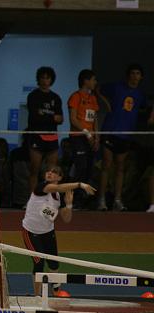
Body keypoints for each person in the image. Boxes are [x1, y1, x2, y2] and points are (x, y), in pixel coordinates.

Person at [22, 166, 96, 296]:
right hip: (31, 232)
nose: (50, 173)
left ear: (60, 177)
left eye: (54, 172)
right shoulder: (42, 187)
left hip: (48, 232)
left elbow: (66, 219)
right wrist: (80, 185)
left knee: (54, 263)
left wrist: (69, 205)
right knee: (39, 262)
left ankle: (56, 290)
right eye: (48, 171)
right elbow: (58, 187)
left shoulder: (57, 196)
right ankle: (36, 296)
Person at [96, 64, 154, 211]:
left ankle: (117, 200)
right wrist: (106, 104)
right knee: (106, 165)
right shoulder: (116, 87)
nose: (135, 76)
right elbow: (98, 89)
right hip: (110, 131)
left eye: (138, 74)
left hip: (125, 135)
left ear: (141, 77)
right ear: (128, 75)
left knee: (120, 168)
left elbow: (145, 110)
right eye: (133, 73)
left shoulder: (140, 95)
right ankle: (101, 200)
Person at [26, 66, 64, 194]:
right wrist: (52, 117)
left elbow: (61, 119)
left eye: (47, 78)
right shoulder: (33, 96)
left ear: (51, 80)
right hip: (37, 136)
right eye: (42, 78)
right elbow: (34, 117)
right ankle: (32, 200)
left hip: (52, 137)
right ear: (38, 79)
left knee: (51, 172)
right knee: (34, 170)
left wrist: (45, 115)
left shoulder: (56, 98)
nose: (45, 80)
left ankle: (49, 200)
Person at [67, 69, 100, 209]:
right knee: (80, 168)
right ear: (86, 81)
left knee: (89, 170)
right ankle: (70, 199)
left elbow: (95, 119)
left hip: (91, 139)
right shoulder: (75, 96)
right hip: (78, 137)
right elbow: (73, 119)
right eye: (93, 79)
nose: (95, 82)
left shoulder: (93, 98)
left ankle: (80, 201)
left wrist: (97, 137)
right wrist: (87, 133)